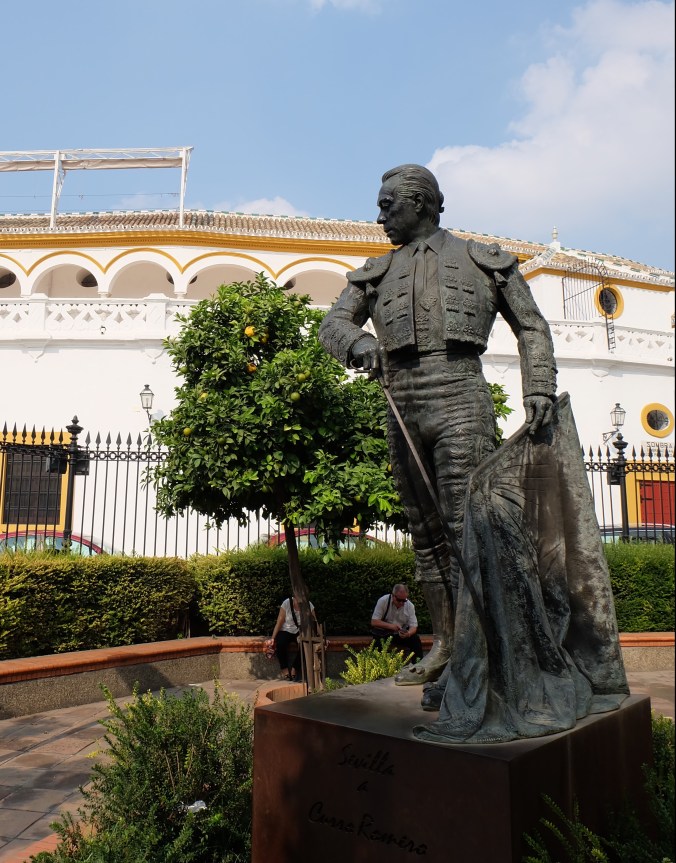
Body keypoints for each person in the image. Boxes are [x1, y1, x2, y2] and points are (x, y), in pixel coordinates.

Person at [319, 164, 557, 686]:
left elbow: (532, 326)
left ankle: (490, 650)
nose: (378, 215)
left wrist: (537, 386)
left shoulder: (481, 259)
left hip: (459, 393)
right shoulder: (376, 271)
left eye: (388, 205)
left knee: (468, 524)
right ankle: (446, 645)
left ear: (421, 204)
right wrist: (357, 343)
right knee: (424, 535)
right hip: (401, 399)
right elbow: (331, 324)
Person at [266, 595, 316, 680]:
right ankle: (284, 667)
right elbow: (279, 621)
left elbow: (314, 621)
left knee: (305, 645)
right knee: (281, 643)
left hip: (301, 631)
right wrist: (272, 638)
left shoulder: (308, 604)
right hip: (286, 630)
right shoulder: (286, 603)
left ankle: (295, 668)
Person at [370, 584, 424, 662]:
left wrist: (408, 633)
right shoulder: (383, 601)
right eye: (399, 600)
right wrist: (391, 626)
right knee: (377, 644)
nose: (401, 603)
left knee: (415, 640)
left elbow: (414, 626)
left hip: (399, 634)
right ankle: (375, 667)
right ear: (393, 596)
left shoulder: (410, 606)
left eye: (404, 600)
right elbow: (374, 622)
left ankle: (418, 666)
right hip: (383, 633)